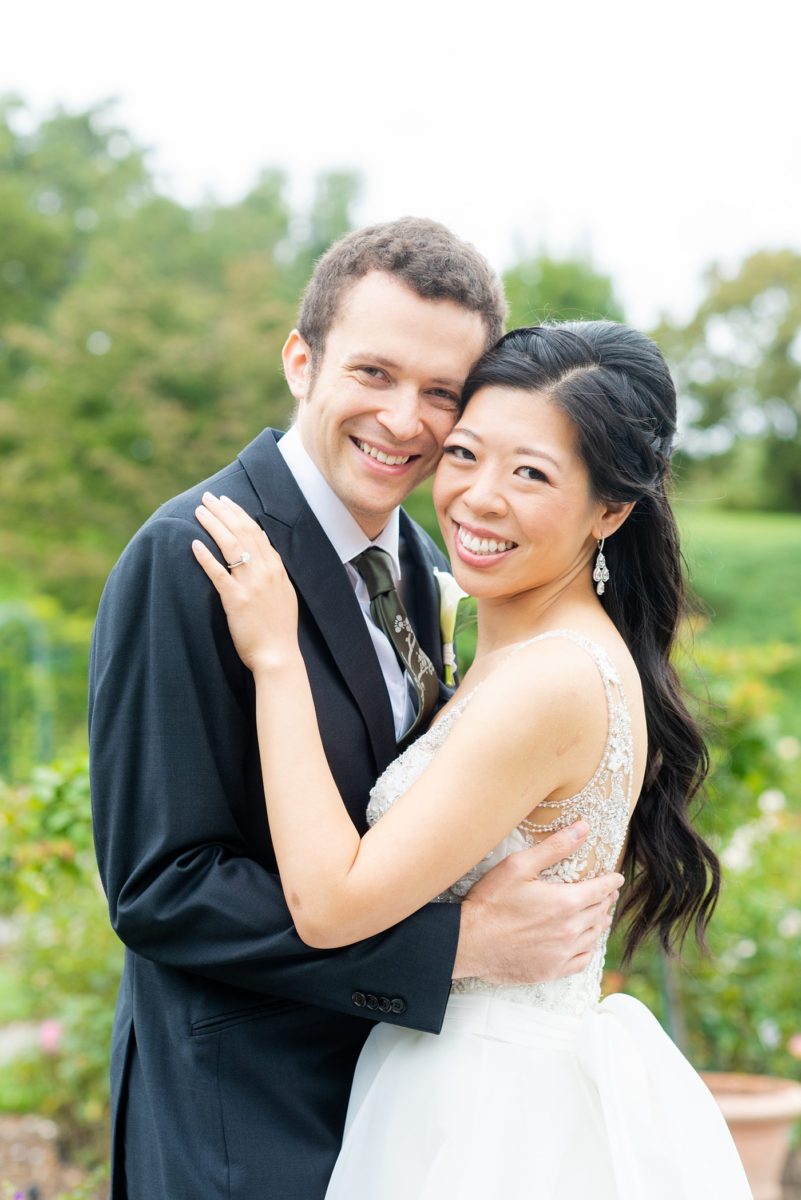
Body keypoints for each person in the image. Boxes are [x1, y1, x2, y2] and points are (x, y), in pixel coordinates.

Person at [88, 220, 623, 1199]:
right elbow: (161, 885)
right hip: (241, 1122)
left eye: (440, 394)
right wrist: (452, 949)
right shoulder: (193, 558)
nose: (404, 420)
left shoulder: (425, 567)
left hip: (396, 1109)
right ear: (302, 360)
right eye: (373, 373)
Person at [193, 320, 754, 1199]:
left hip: (488, 1110)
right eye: (463, 454)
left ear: (611, 511)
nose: (476, 498)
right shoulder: (518, 641)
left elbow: (331, 904)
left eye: (530, 473)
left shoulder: (552, 681)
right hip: (451, 1075)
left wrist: (275, 657)